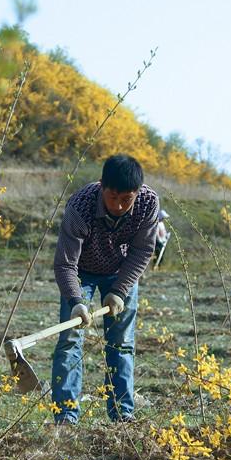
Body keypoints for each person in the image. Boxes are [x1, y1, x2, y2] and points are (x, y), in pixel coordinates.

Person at [52, 154, 159, 424]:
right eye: (113, 198)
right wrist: (76, 300)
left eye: (127, 199)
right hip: (81, 273)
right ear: (102, 186)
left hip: (120, 272)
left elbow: (143, 250)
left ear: (137, 193)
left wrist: (120, 290)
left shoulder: (148, 203)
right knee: (69, 341)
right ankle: (65, 416)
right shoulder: (80, 206)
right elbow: (65, 264)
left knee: (121, 344)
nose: (120, 205)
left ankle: (122, 415)